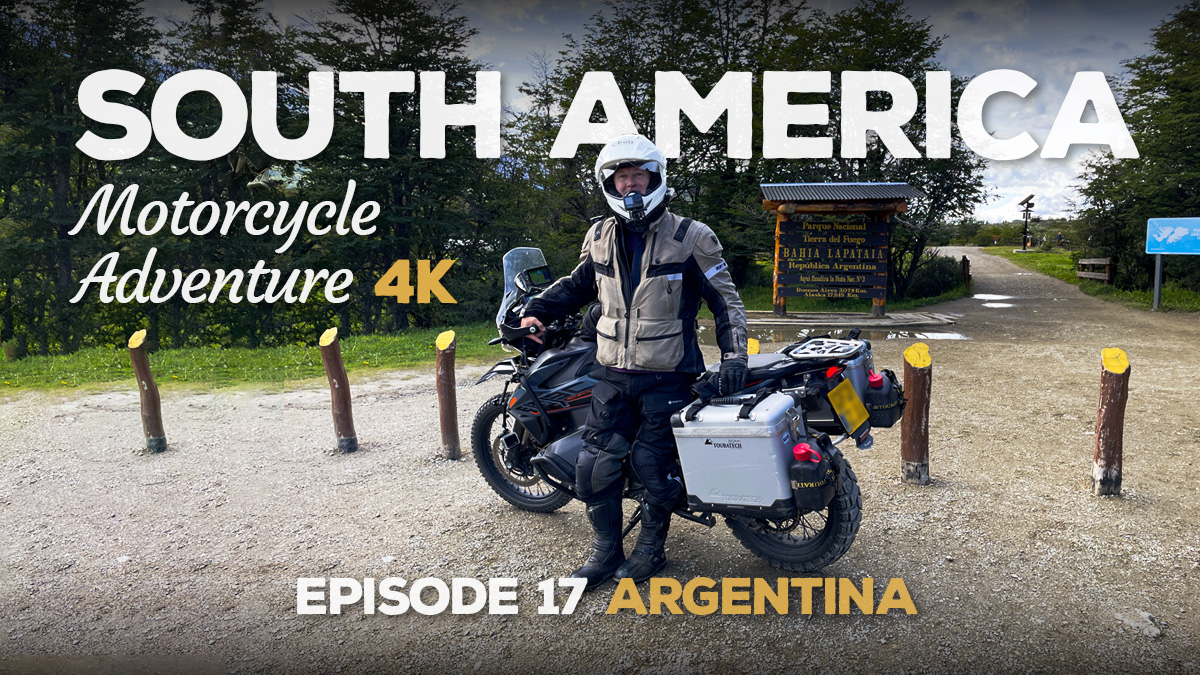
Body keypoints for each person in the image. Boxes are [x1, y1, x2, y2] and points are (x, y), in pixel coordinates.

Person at [520, 134, 748, 589]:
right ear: (611, 183)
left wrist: (735, 354)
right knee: (595, 465)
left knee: (652, 467)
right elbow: (579, 284)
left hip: (669, 375)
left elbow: (726, 302)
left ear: (656, 178)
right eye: (622, 178)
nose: (631, 187)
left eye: (638, 176)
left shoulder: (691, 236)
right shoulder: (600, 235)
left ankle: (650, 551)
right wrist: (536, 310)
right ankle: (605, 554)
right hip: (611, 373)